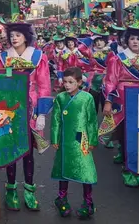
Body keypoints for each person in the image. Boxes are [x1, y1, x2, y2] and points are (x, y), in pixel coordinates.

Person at [0, 12, 52, 212]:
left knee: (27, 153)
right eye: (12, 34)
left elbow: (44, 86)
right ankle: (10, 191)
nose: (14, 37)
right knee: (11, 152)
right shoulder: (1, 58)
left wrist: (42, 113)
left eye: (18, 34)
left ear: (26, 36)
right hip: (8, 111)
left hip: (31, 111)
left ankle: (29, 191)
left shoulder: (39, 57)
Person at [103, 3, 139, 189]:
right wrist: (108, 101)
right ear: (126, 41)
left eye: (138, 39)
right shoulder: (117, 59)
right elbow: (111, 80)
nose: (135, 42)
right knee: (128, 136)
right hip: (123, 100)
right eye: (132, 39)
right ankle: (129, 170)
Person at [51, 67, 98, 219]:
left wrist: (92, 140)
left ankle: (88, 202)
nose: (67, 85)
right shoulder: (60, 98)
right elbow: (56, 120)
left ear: (79, 82)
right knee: (63, 171)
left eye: (71, 82)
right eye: (65, 82)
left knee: (85, 171)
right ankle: (62, 198)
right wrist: (55, 138)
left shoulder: (87, 98)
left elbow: (91, 121)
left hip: (81, 138)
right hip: (64, 139)